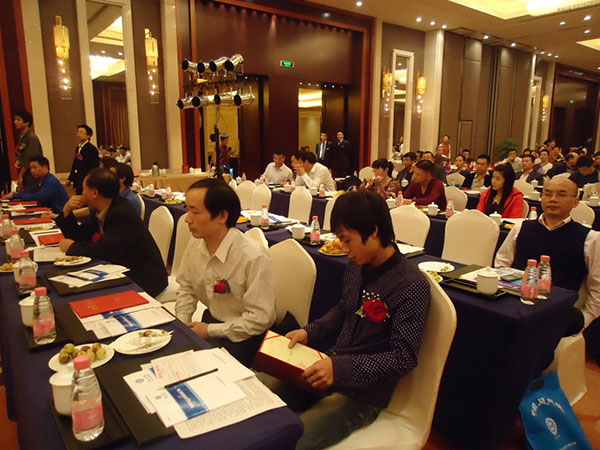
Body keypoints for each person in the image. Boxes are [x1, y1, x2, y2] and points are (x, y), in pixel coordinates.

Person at [270, 190, 430, 450]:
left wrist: (340, 368)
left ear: (374, 231)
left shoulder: (411, 285)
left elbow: (403, 358)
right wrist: (309, 332)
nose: (344, 249)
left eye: (347, 240)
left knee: (293, 440)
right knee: (265, 407)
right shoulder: (357, 265)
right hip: (331, 366)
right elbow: (345, 308)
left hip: (363, 395)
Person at [494, 178, 600, 364]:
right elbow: (501, 264)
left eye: (561, 195)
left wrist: (584, 319)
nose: (553, 199)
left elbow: (597, 288)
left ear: (576, 201)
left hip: (556, 310)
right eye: (548, 194)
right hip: (513, 301)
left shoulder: (590, 238)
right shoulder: (521, 227)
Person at [175, 178, 275, 367]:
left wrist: (210, 330)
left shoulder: (253, 257)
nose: (187, 218)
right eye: (187, 210)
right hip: (211, 324)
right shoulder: (196, 242)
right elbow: (187, 288)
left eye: (195, 212)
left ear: (222, 216)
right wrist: (182, 326)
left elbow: (261, 319)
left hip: (246, 339)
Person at [57, 168, 167, 297]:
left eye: (84, 189)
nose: (82, 193)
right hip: (119, 268)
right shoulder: (102, 208)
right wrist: (67, 212)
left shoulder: (122, 213)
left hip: (144, 277)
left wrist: (72, 247)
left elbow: (105, 250)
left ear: (95, 193)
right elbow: (81, 236)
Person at [1, 156, 68, 214]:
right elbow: (32, 191)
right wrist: (16, 194)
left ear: (45, 167)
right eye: (31, 168)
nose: (32, 171)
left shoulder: (51, 181)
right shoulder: (43, 180)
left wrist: (15, 195)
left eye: (35, 168)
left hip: (60, 214)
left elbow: (38, 198)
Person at [13, 110, 43, 190]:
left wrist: (21, 175)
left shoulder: (31, 138)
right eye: (15, 119)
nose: (15, 122)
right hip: (25, 173)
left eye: (18, 120)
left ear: (26, 122)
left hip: (32, 175)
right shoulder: (22, 137)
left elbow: (29, 158)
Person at [68, 124, 100, 195]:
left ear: (88, 135)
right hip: (79, 177)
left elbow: (94, 165)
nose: (79, 134)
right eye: (78, 132)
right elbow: (76, 162)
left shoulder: (91, 148)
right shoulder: (78, 147)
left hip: (86, 178)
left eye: (82, 132)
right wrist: (71, 177)